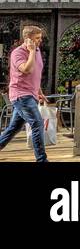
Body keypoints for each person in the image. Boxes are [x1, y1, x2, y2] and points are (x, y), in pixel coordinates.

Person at [0, 25, 49, 162]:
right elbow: (27, 70)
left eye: (40, 38)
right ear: (28, 39)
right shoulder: (18, 53)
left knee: (14, 128)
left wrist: (39, 91)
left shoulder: (37, 50)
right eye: (37, 38)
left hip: (31, 94)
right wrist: (32, 52)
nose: (40, 41)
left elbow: (36, 74)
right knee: (37, 123)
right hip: (21, 95)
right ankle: (42, 160)